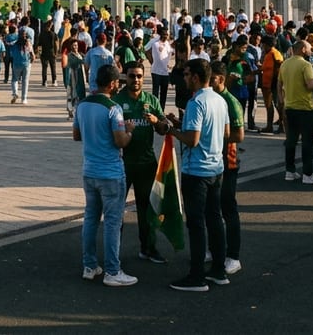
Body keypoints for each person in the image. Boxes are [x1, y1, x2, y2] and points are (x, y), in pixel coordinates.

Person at [166, 58, 230, 292]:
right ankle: (219, 270)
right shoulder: (219, 100)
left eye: (185, 75)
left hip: (196, 170)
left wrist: (171, 129)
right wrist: (182, 124)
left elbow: (192, 139)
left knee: (196, 223)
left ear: (195, 76)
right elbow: (225, 132)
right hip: (216, 166)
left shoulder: (196, 102)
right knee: (214, 219)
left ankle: (196, 276)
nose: (183, 79)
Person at [73, 63, 139, 287]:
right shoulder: (113, 108)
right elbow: (120, 141)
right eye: (118, 82)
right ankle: (113, 270)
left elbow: (76, 135)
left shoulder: (82, 105)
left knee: (91, 218)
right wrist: (129, 130)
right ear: (112, 84)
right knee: (112, 221)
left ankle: (89, 265)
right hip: (110, 171)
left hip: (89, 169)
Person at [112, 60, 169, 264]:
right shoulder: (117, 101)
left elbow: (164, 128)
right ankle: (113, 251)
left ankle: (149, 248)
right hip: (122, 164)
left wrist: (158, 122)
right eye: (131, 75)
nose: (135, 79)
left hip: (147, 164)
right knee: (116, 209)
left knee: (148, 209)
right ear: (124, 77)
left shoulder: (151, 100)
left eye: (139, 76)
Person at [208, 61, 246, 276]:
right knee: (211, 209)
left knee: (228, 208)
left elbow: (239, 135)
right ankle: (214, 249)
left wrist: (213, 137)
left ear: (220, 79)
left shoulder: (230, 102)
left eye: (212, 78)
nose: (208, 82)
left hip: (228, 161)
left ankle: (233, 255)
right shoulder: (209, 98)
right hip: (212, 162)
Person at [278, 39, 313, 184]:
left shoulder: (285, 64)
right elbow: (310, 85)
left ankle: (290, 171)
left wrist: (281, 100)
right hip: (305, 107)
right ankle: (308, 173)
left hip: (290, 106)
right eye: (309, 48)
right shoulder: (306, 65)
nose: (311, 51)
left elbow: (279, 83)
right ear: (303, 50)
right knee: (307, 141)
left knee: (291, 140)